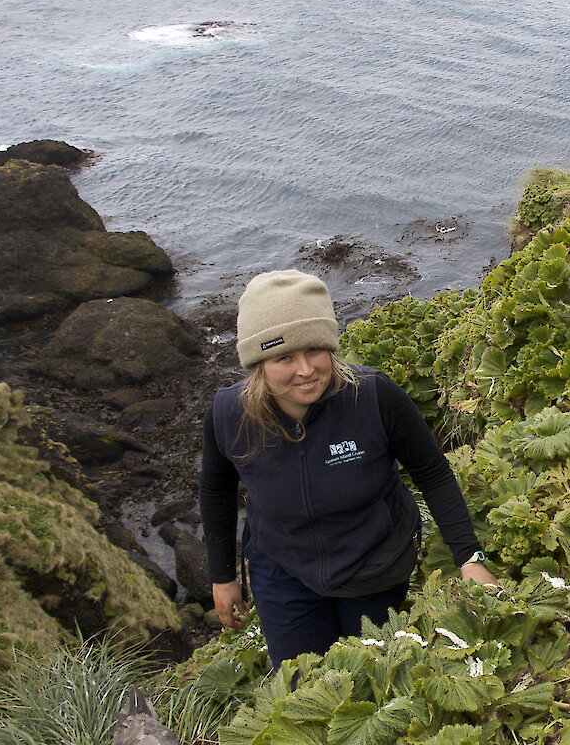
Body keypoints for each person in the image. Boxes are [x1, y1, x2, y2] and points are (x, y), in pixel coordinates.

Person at [198, 270, 497, 665]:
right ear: (258, 362)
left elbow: (432, 472)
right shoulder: (228, 413)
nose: (305, 370)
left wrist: (468, 558)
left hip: (375, 566)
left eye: (315, 350)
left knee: (375, 678)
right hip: (283, 573)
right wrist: (223, 576)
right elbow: (216, 490)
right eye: (284, 357)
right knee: (302, 688)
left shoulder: (372, 395)